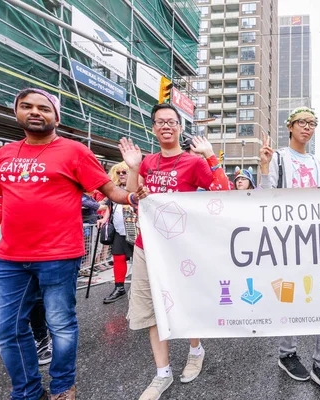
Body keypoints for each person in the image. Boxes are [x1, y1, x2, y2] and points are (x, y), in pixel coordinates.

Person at [0, 88, 144, 400]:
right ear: (17, 112)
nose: (35, 112)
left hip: (59, 255)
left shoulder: (75, 151)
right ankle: (27, 390)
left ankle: (63, 387)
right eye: (27, 106)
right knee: (8, 330)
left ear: (56, 116)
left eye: (43, 108)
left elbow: (110, 191)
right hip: (10, 257)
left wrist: (133, 192)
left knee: (61, 325)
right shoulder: (5, 154)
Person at [119, 103, 230, 400]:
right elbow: (133, 198)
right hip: (146, 245)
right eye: (160, 122)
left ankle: (196, 351)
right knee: (152, 309)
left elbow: (224, 194)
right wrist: (132, 167)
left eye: (172, 121)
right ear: (154, 128)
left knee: (185, 302)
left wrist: (209, 155)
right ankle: (162, 373)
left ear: (180, 128)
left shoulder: (192, 163)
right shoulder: (146, 162)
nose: (166, 126)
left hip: (182, 247)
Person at [259, 106, 320, 397]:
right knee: (290, 297)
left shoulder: (318, 163)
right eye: (302, 122)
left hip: (316, 241)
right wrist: (263, 168)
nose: (307, 128)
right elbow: (263, 198)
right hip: (287, 241)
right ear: (290, 126)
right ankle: (287, 353)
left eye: (312, 123)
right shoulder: (279, 158)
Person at [98, 162, 136, 304]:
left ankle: (142, 290)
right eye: (118, 172)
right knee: (118, 258)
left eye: (124, 172)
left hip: (137, 230)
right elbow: (110, 206)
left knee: (140, 261)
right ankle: (119, 287)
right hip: (120, 230)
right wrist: (104, 218)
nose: (121, 175)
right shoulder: (114, 189)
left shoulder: (138, 188)